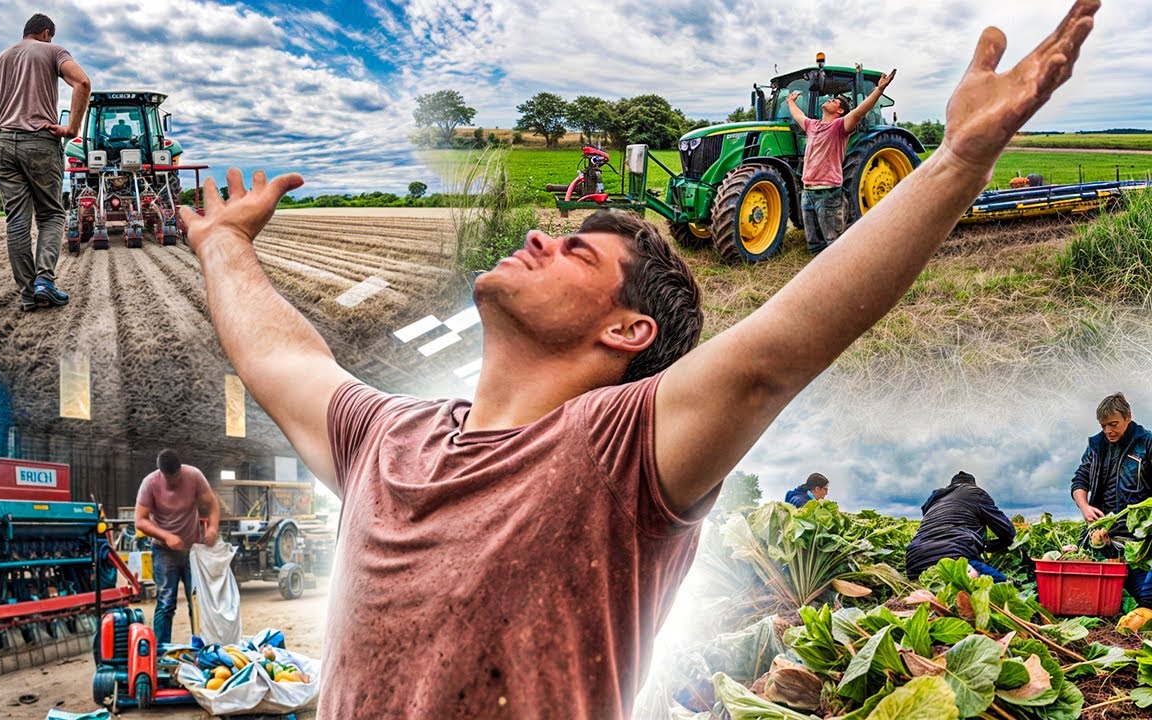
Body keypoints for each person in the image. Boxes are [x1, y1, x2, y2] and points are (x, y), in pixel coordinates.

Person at [178, 3, 1098, 716]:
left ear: (627, 332)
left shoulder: (616, 455)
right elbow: (281, 358)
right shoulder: (386, 438)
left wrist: (957, 161)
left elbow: (775, 352)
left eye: (577, 251)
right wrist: (223, 244)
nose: (539, 237)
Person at [0, 13, 90, 312]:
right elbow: (82, 82)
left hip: (4, 144)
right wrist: (72, 129)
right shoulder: (53, 51)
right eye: (50, 36)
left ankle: (28, 294)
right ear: (46, 33)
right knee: (52, 215)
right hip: (40, 142)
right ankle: (45, 280)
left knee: (17, 220)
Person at [786, 68, 896, 254]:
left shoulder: (840, 127)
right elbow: (798, 115)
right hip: (808, 193)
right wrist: (790, 102)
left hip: (828, 194)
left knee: (835, 246)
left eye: (835, 101)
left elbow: (860, 111)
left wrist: (879, 90)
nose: (829, 99)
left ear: (840, 111)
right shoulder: (812, 125)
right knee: (814, 247)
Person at [1071, 392, 1152, 606]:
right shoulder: (1096, 445)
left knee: (1143, 596)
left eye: (1113, 424)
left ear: (1128, 417)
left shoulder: (1147, 443)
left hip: (1136, 541)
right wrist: (1085, 507)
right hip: (1101, 535)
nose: (1108, 431)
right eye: (1103, 425)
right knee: (1091, 596)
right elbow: (1080, 480)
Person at [134, 449, 221, 646]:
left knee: (197, 601)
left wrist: (213, 528)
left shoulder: (194, 476)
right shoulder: (150, 483)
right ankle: (161, 649)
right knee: (166, 602)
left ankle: (202, 647)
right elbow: (139, 521)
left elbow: (212, 503)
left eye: (176, 475)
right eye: (169, 477)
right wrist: (167, 536)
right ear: (161, 473)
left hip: (192, 550)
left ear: (180, 469)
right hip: (164, 551)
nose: (174, 480)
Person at [904, 471, 1015, 581]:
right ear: (972, 484)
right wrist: (989, 547)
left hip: (914, 562)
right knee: (1007, 586)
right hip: (954, 555)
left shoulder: (934, 500)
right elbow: (1007, 532)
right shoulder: (975, 493)